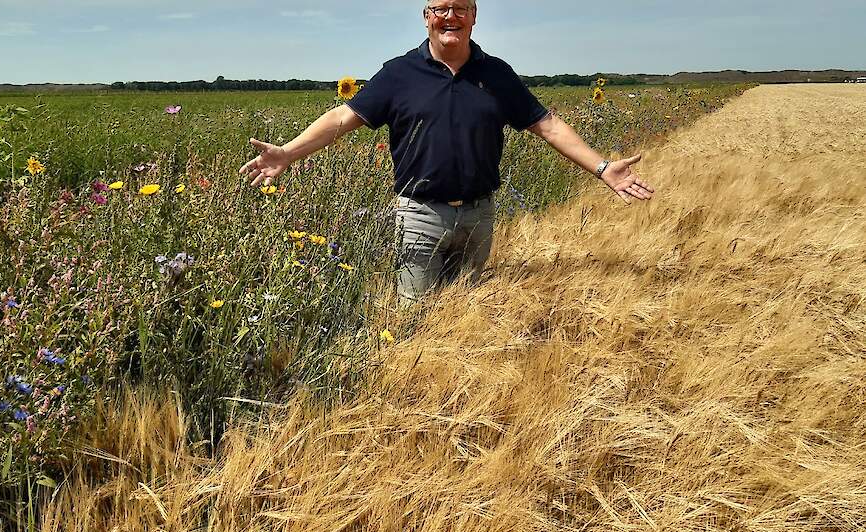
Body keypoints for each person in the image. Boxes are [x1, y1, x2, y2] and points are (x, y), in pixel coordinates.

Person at [240, 0, 654, 306]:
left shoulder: (497, 74)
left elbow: (546, 125)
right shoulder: (399, 73)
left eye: (460, 8)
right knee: (415, 318)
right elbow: (341, 118)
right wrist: (288, 153)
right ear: (426, 16)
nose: (450, 17)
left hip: (479, 216)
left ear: (474, 16)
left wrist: (602, 168)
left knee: (465, 314)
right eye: (441, 8)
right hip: (420, 215)